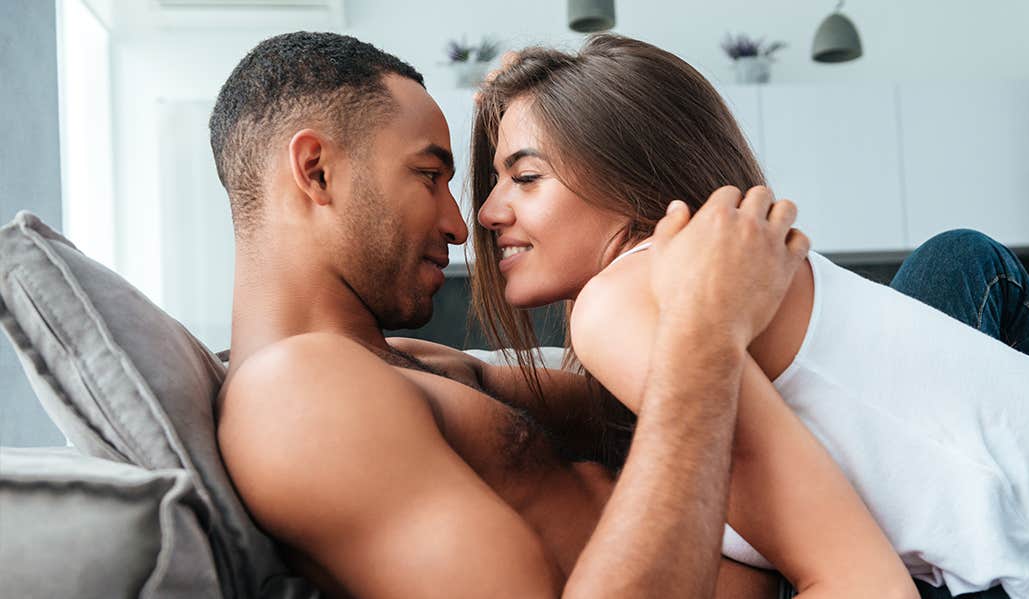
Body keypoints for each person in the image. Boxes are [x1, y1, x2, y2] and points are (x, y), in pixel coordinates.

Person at [469, 34, 1029, 598]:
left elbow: (865, 582)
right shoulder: (678, 305)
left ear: (632, 181)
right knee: (957, 258)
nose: (490, 211)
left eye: (525, 177)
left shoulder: (618, 301)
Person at [211, 31, 809, 599]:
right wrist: (705, 334)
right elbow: (686, 389)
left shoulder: (400, 365)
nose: (458, 225)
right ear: (316, 170)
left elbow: (624, 407)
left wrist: (547, 111)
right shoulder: (295, 396)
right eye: (427, 175)